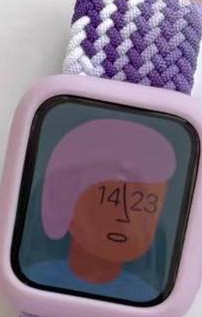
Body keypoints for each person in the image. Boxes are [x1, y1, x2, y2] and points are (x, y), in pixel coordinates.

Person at [22, 118, 176, 303]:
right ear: (63, 201)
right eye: (109, 198)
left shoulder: (147, 294)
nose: (124, 216)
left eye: (144, 203)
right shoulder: (34, 278)